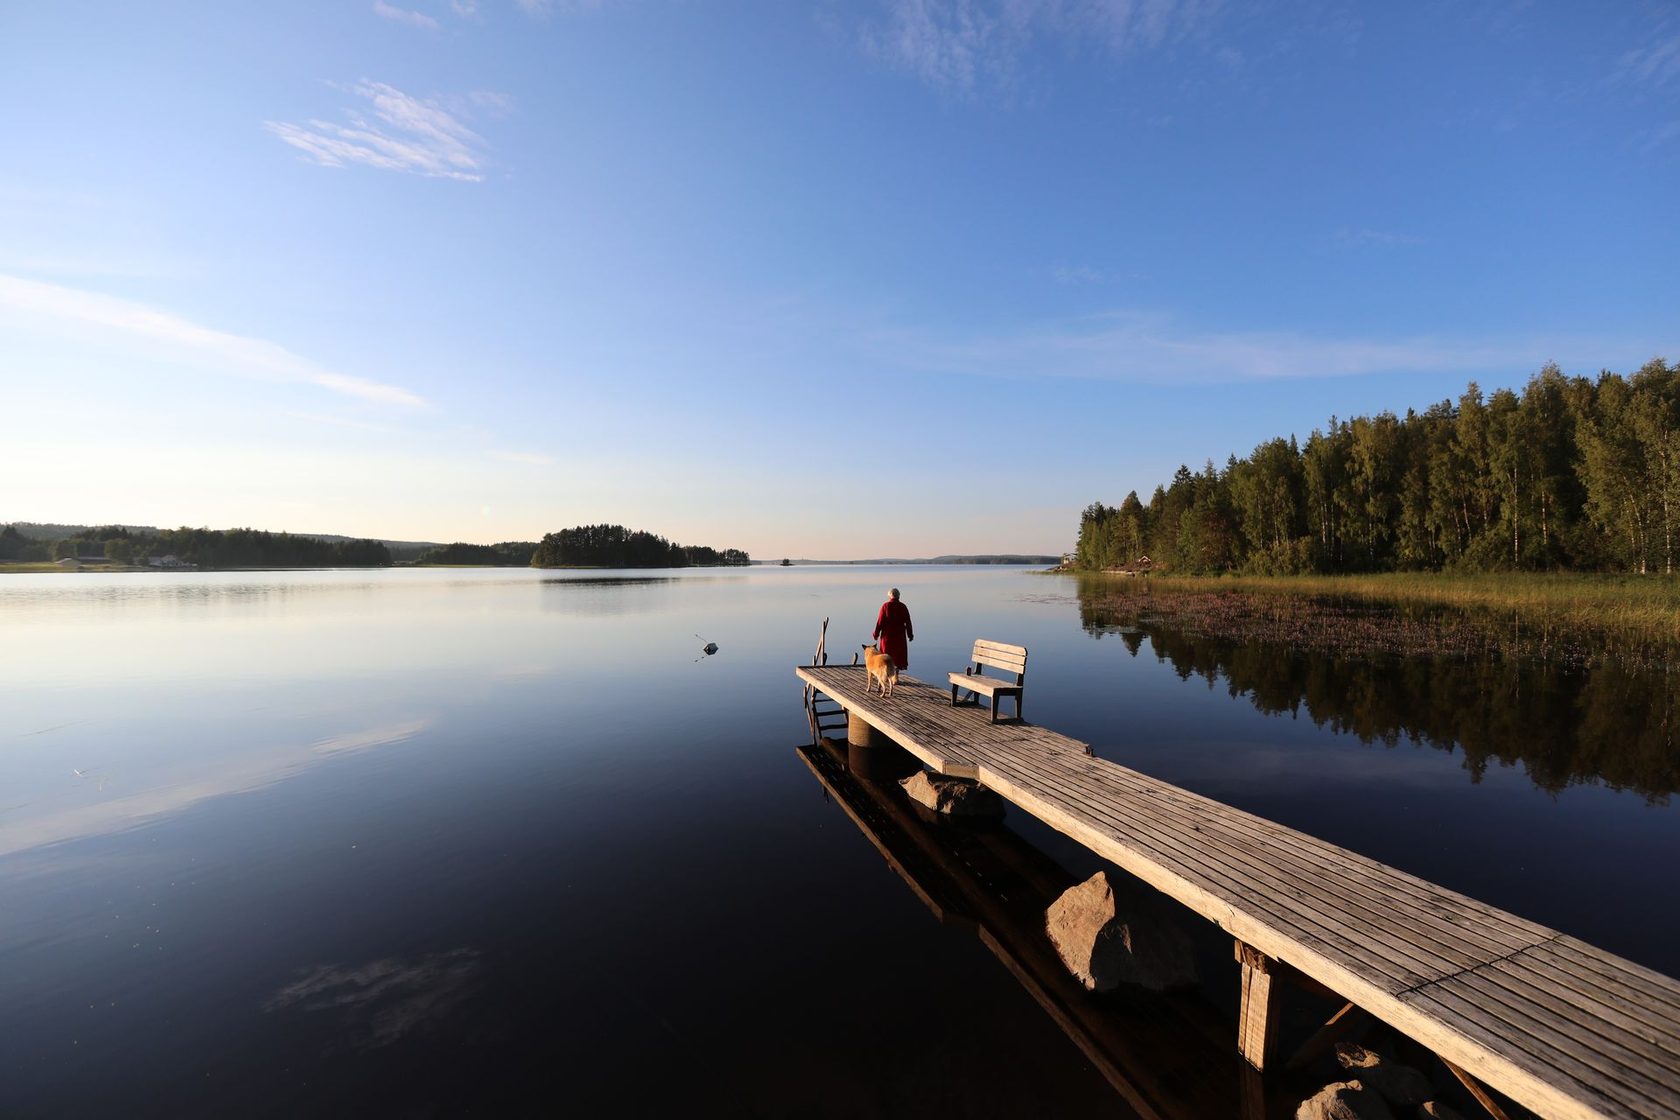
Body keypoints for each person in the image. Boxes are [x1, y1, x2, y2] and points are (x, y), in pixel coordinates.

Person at [872, 587, 914, 669]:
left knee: (886, 656)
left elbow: (880, 621)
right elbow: (908, 622)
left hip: (887, 636)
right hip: (899, 636)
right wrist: (910, 634)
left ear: (889, 596)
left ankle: (887, 676)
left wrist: (876, 634)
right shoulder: (903, 607)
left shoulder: (885, 606)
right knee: (898, 656)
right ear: (899, 596)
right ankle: (896, 676)